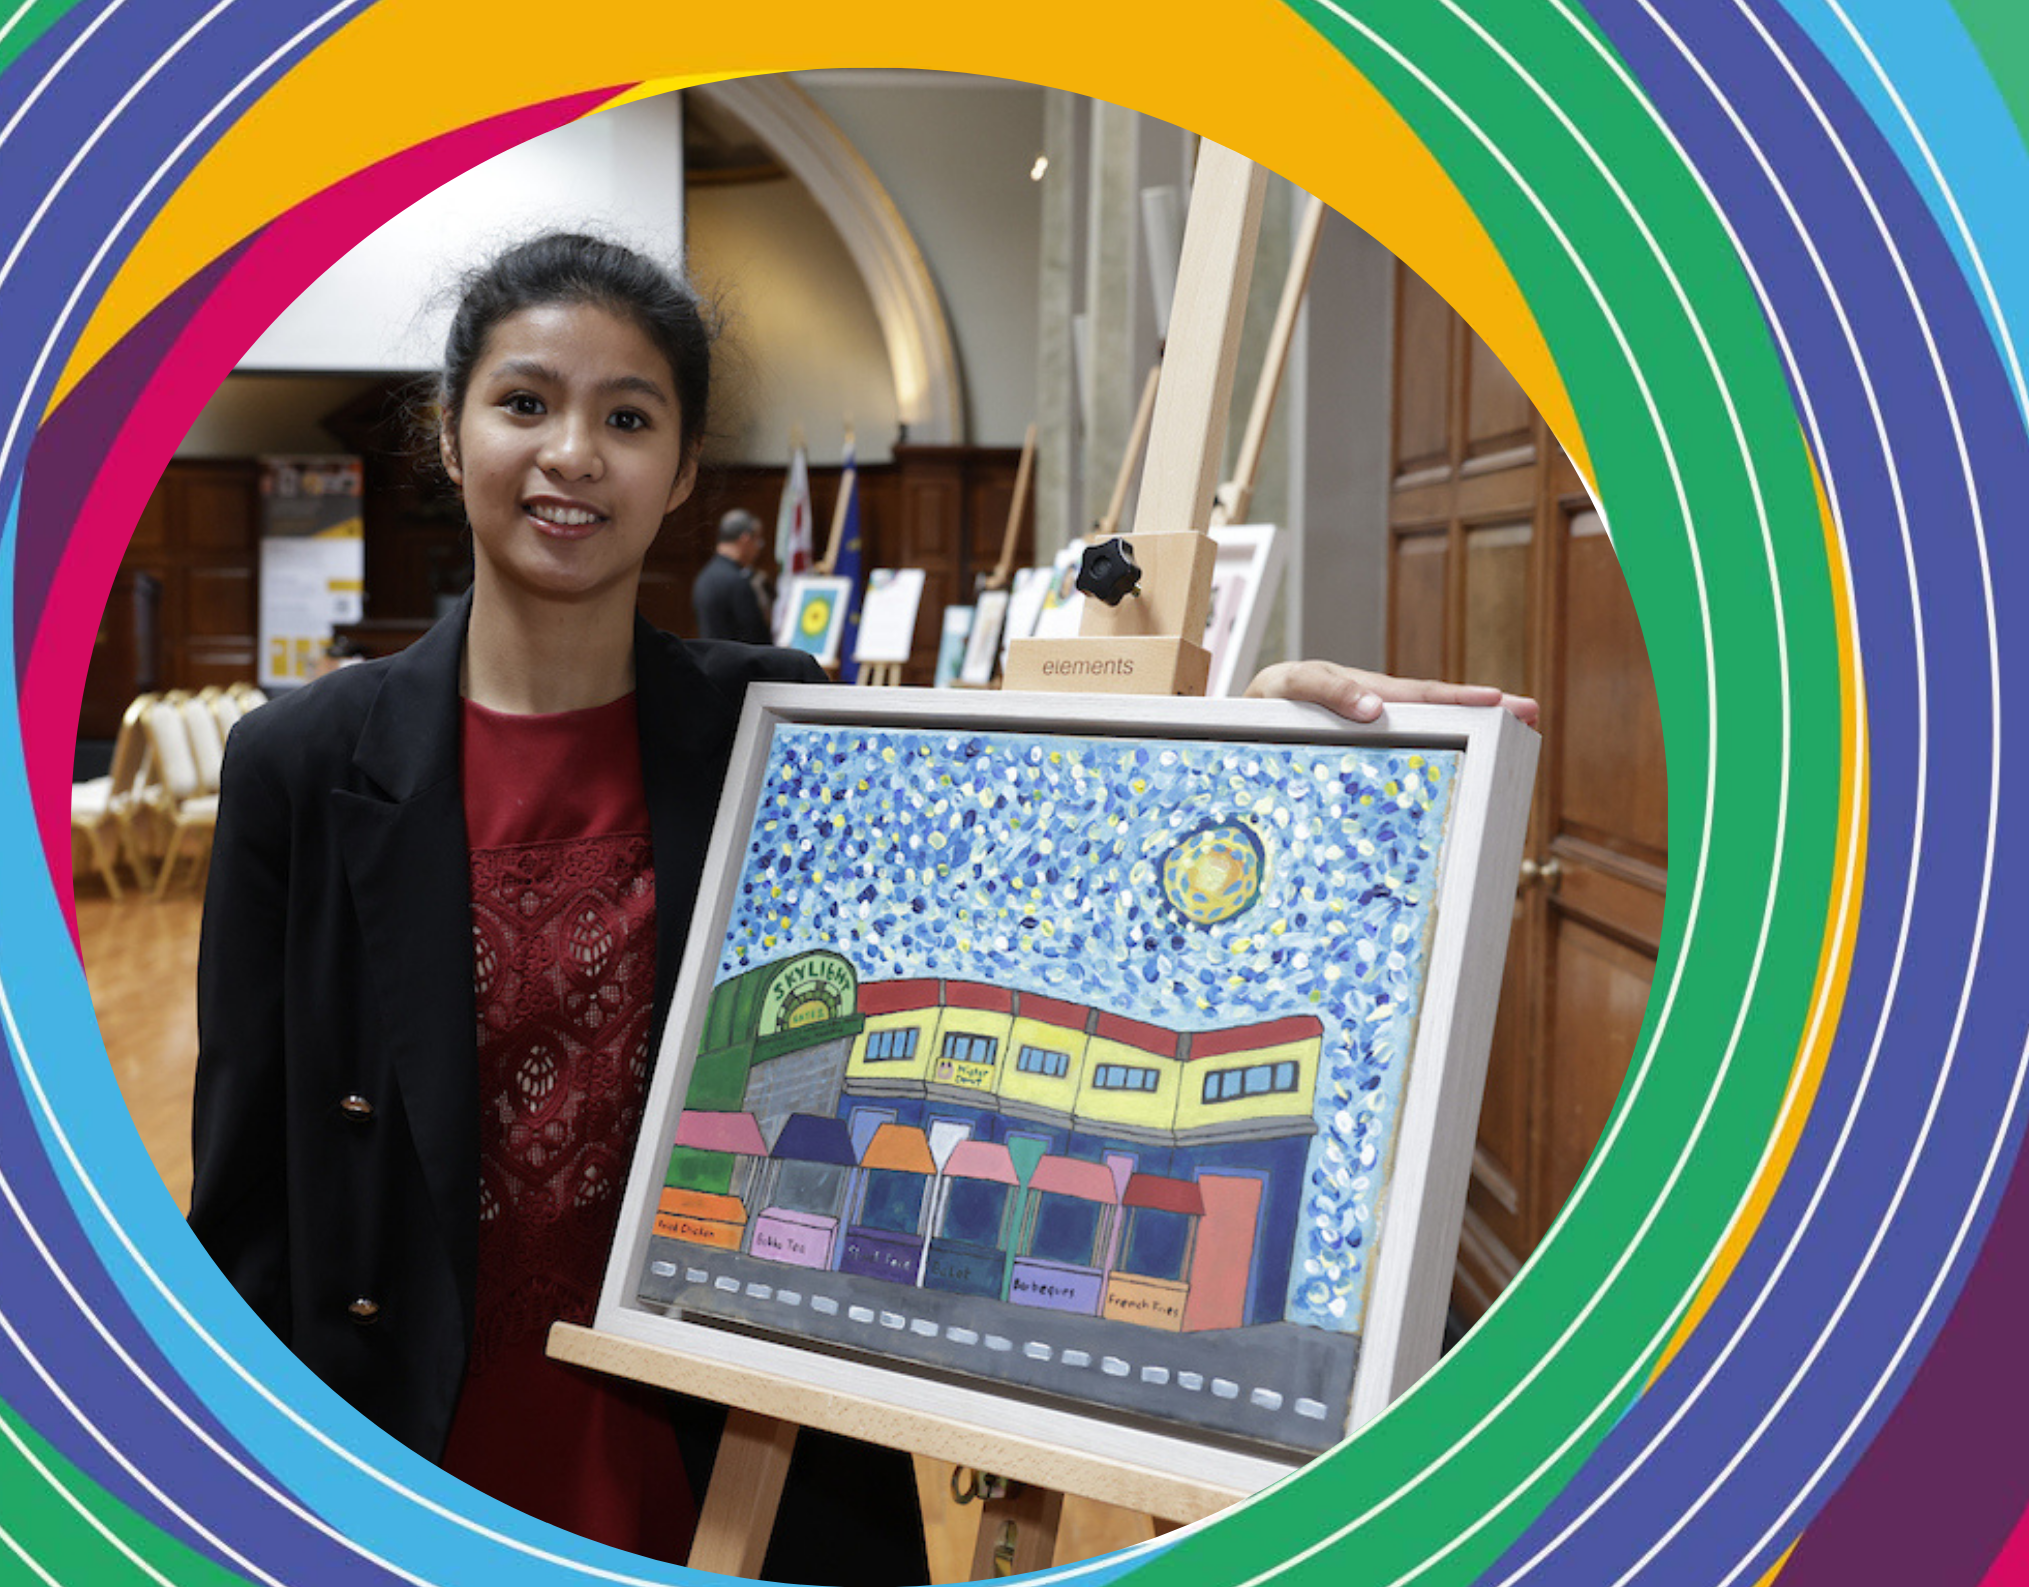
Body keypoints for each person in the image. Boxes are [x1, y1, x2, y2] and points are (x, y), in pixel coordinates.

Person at [188, 228, 1534, 1580]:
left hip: (727, 1455)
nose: (573, 452)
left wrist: (1272, 744)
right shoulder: (302, 763)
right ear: (449, 426)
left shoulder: (774, 721)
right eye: (525, 401)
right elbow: (246, 1195)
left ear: (682, 472)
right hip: (406, 1444)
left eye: (629, 416)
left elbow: (1027, 853)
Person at [691, 507, 772, 643]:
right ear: (745, 539)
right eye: (758, 541)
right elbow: (756, 637)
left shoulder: (704, 576)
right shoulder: (738, 581)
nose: (758, 548)